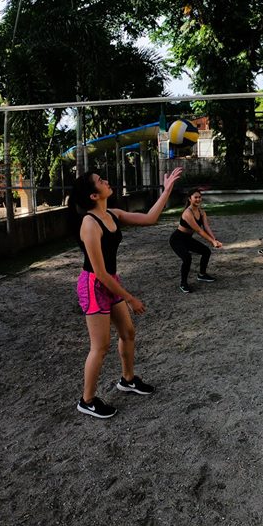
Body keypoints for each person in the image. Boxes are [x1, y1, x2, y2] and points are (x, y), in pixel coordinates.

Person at [69, 166, 183, 419]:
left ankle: (128, 379)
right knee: (100, 346)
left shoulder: (112, 214)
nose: (106, 181)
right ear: (93, 195)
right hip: (95, 284)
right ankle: (86, 400)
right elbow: (99, 272)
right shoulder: (89, 224)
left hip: (111, 281)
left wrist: (166, 191)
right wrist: (130, 298)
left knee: (128, 332)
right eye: (100, 181)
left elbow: (150, 218)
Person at [170, 188, 223, 293]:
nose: (198, 199)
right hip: (177, 239)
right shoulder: (187, 213)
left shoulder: (202, 212)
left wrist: (214, 240)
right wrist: (212, 242)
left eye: (199, 197)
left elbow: (206, 227)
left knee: (206, 251)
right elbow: (199, 230)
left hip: (187, 239)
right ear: (190, 199)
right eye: (195, 197)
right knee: (187, 258)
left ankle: (202, 275)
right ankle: (183, 284)